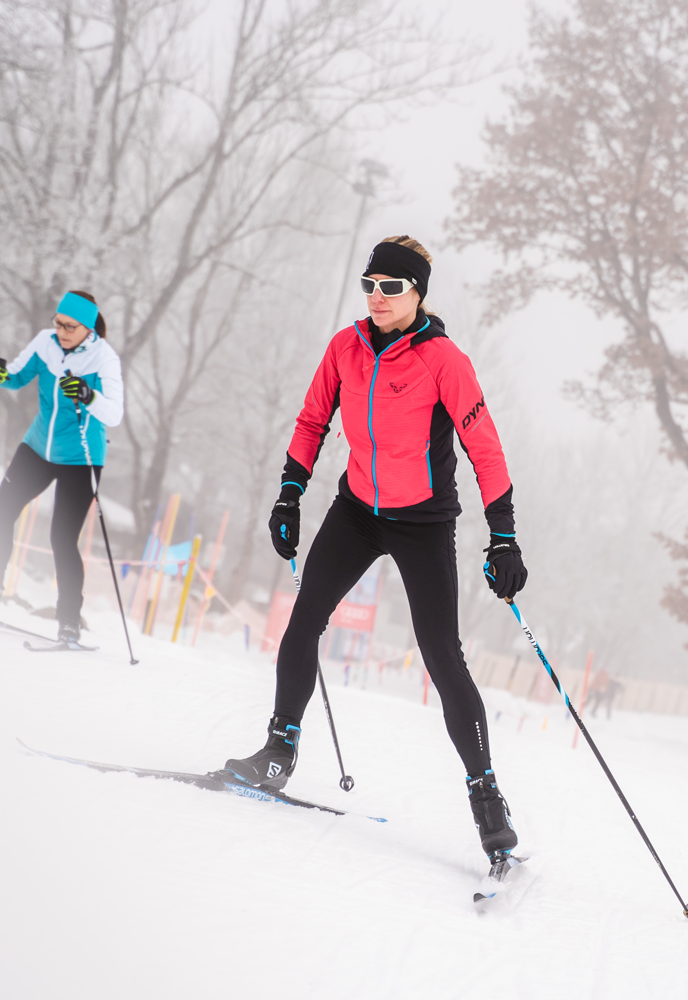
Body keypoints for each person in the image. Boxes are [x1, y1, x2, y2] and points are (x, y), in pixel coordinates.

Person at [213, 236, 529, 865]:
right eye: (370, 285)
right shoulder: (346, 348)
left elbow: (484, 447)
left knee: (441, 654)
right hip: (357, 510)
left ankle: (487, 797)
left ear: (417, 293)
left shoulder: (443, 359)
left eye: (391, 287)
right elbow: (312, 420)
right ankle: (279, 750)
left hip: (424, 521)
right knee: (304, 620)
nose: (377, 297)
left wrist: (504, 535)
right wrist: (289, 495)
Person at [0, 291, 124, 644]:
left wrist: (88, 395)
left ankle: (69, 621)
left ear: (88, 329)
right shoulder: (45, 343)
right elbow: (16, 376)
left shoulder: (105, 359)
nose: (61, 331)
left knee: (62, 537)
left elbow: (114, 414)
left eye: (70, 326)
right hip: (38, 446)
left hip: (81, 457)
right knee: (2, 513)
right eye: (58, 323)